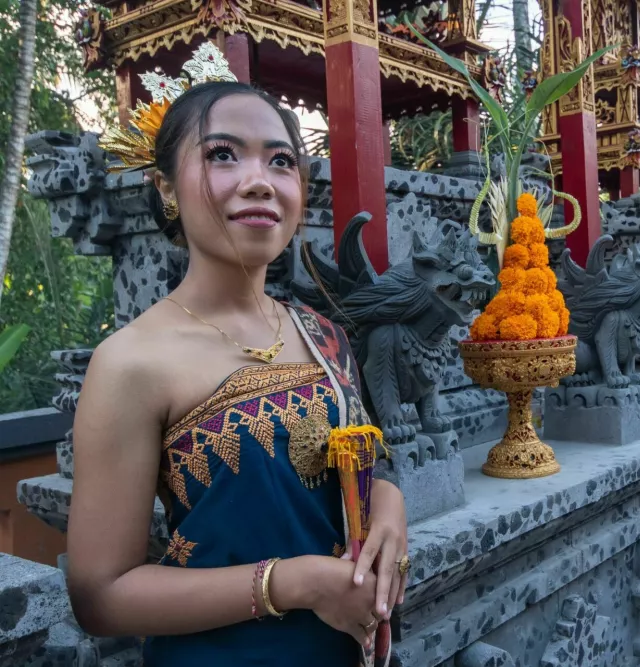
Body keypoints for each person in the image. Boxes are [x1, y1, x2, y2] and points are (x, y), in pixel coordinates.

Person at [67, 45, 407, 667]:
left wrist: (389, 502)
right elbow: (101, 595)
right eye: (223, 154)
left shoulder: (322, 333)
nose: (260, 179)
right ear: (166, 188)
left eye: (281, 161)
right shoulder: (131, 362)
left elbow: (365, 462)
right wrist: (291, 583)